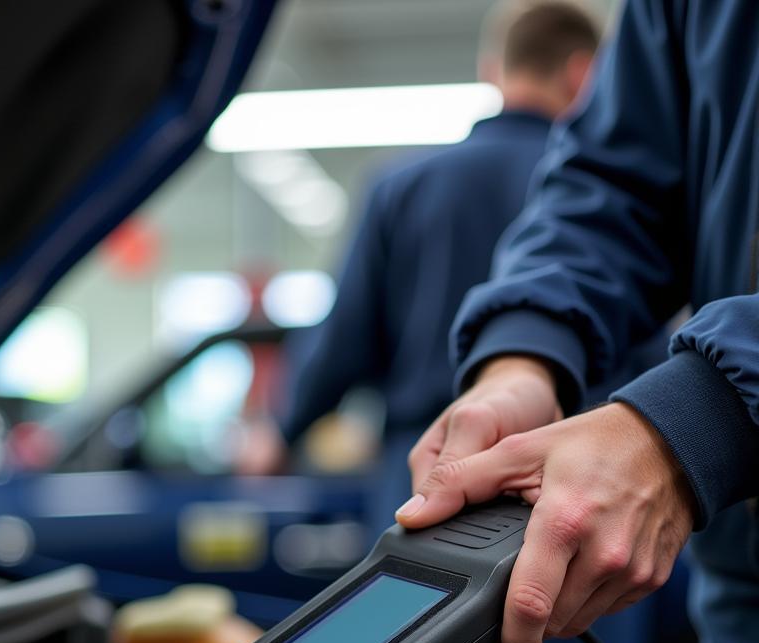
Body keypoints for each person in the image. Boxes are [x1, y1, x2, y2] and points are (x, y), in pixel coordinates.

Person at [396, 1, 759, 643]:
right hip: (747, 601)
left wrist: (697, 422)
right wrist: (521, 362)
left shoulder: (405, 181)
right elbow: (615, 185)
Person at [239, 0, 604, 531]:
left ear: (492, 73)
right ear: (584, 75)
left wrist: (279, 431)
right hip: (570, 481)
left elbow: (344, 338)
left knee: (414, 613)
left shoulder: (401, 187)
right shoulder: (606, 195)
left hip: (426, 469)